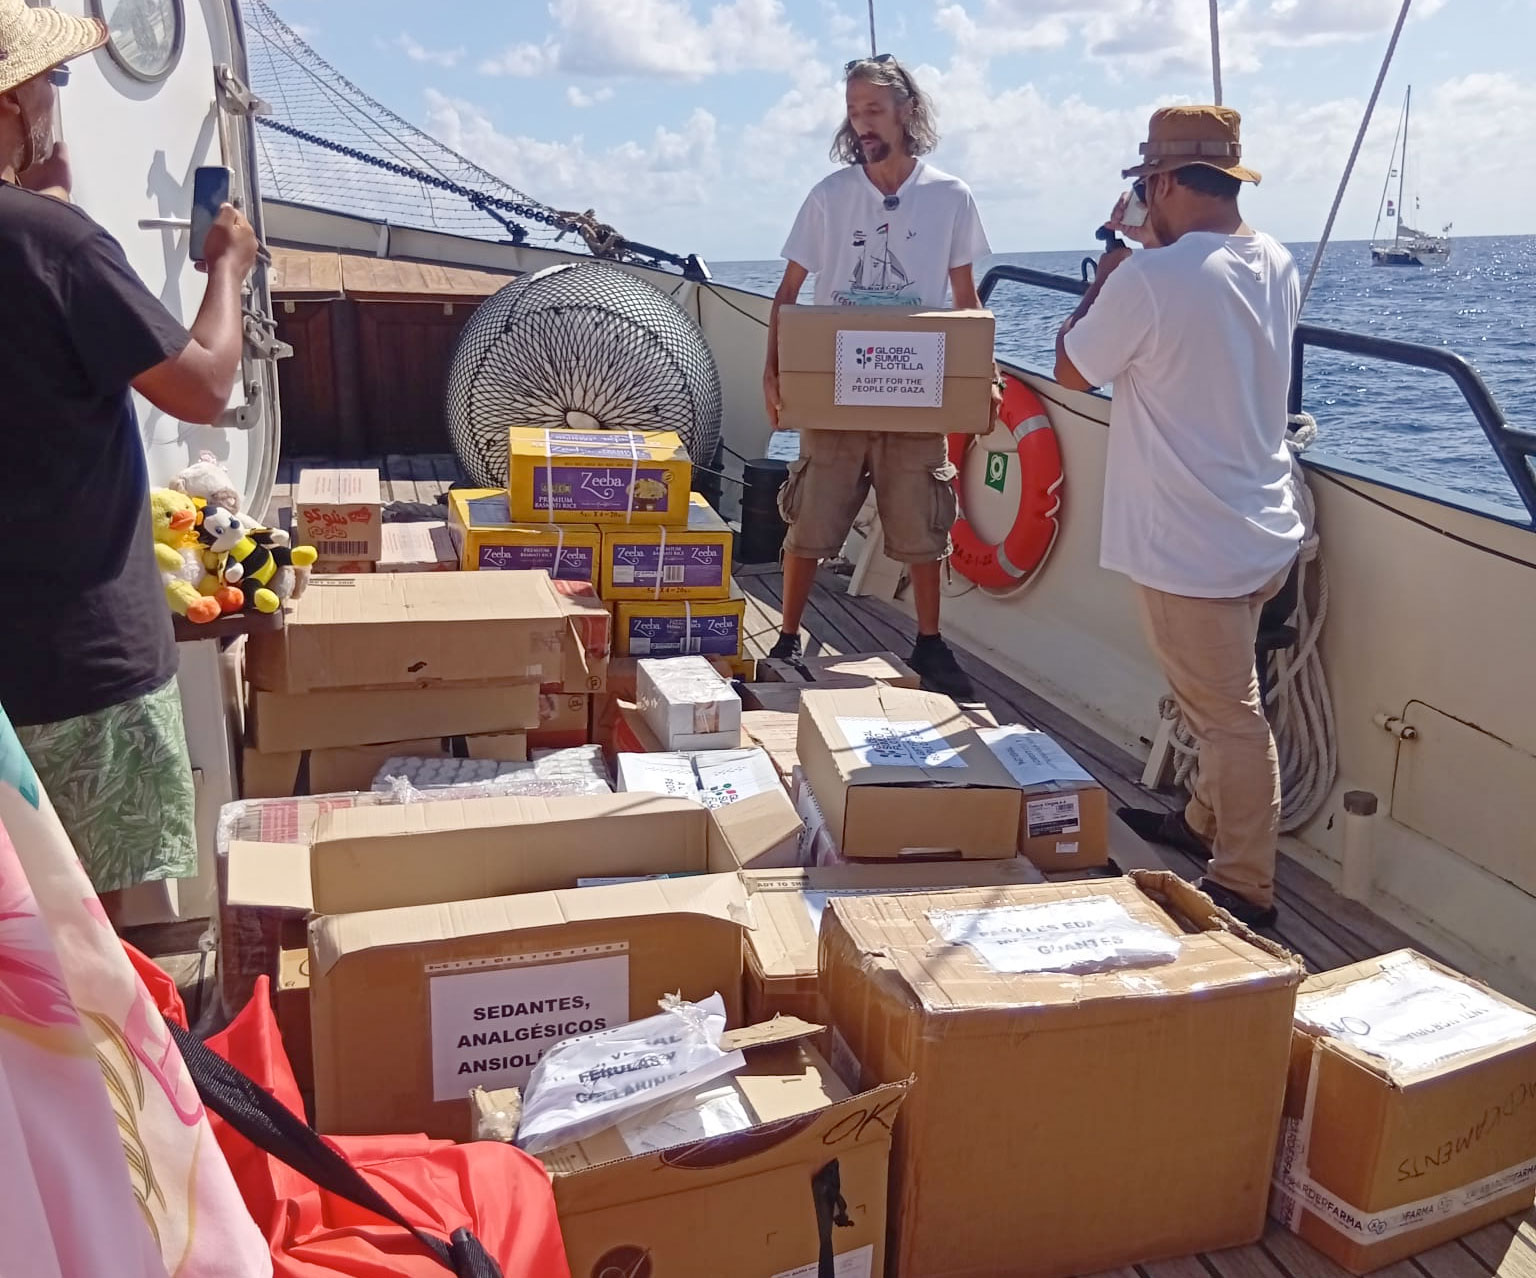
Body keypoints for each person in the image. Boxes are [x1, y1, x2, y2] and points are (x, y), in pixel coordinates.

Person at [0, 0, 259, 928]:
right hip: (79, 669)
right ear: (10, 105)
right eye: (50, 82)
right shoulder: (53, 245)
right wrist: (225, 267)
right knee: (86, 948)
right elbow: (201, 387)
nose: (56, 100)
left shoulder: (43, 238)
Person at [1054, 105, 1303, 929]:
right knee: (1220, 696)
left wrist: (1107, 280)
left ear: (1159, 184)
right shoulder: (1273, 260)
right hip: (1263, 529)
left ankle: (1244, 886)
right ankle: (1201, 824)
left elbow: (1073, 366)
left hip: (1190, 547)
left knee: (1230, 718)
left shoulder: (1148, 281)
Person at [762, 54, 1001, 699]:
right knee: (810, 517)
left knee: (924, 522)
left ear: (906, 111)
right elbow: (788, 293)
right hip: (835, 391)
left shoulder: (951, 196)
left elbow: (966, 296)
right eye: (853, 110)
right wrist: (774, 373)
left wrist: (984, 376)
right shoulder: (829, 196)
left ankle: (929, 642)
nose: (861, 122)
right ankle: (786, 637)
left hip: (915, 395)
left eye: (872, 108)